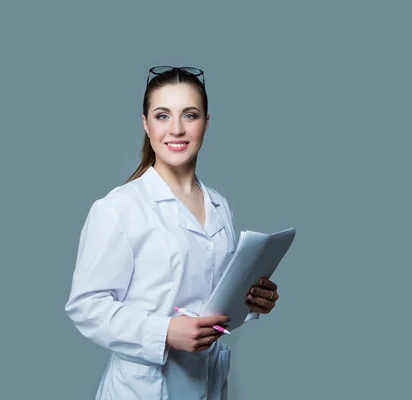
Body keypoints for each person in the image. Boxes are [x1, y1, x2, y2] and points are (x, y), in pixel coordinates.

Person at [65, 66, 280, 399]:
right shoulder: (119, 207)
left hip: (207, 384)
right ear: (145, 124)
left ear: (206, 123)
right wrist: (164, 332)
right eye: (162, 115)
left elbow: (214, 299)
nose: (176, 129)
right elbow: (86, 307)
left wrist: (252, 302)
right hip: (143, 388)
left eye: (190, 115)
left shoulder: (219, 205)